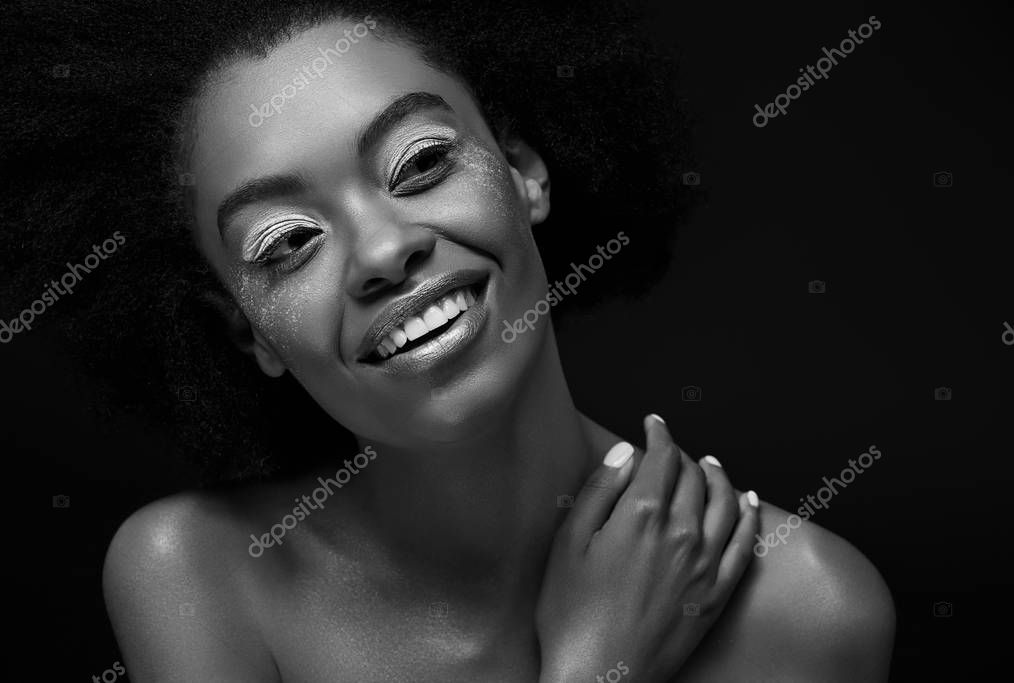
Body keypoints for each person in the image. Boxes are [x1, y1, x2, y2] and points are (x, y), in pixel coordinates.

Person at [93, 3, 895, 681]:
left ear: (522, 172)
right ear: (246, 326)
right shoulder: (196, 575)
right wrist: (593, 663)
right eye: (287, 242)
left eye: (422, 162)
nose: (381, 252)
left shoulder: (805, 607)